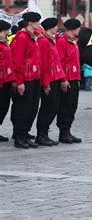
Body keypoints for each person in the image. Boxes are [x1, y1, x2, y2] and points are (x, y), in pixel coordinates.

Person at [10, 12, 42, 149]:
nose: (39, 25)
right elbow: (18, 61)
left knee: (32, 108)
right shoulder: (22, 37)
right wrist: (20, 81)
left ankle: (25, 134)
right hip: (25, 78)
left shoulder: (32, 37)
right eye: (37, 22)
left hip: (34, 77)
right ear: (30, 23)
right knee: (23, 109)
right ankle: (19, 136)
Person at [35, 17, 67, 146]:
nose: (57, 28)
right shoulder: (44, 42)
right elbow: (44, 65)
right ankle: (41, 134)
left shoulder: (51, 40)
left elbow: (56, 62)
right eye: (55, 26)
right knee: (47, 108)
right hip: (48, 80)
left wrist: (62, 79)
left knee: (53, 108)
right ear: (49, 28)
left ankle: (45, 133)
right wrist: (46, 83)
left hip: (55, 79)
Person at [56, 18, 82, 144]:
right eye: (78, 28)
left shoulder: (74, 41)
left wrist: (77, 78)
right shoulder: (62, 42)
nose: (79, 30)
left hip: (74, 78)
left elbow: (76, 62)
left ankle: (68, 130)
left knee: (73, 106)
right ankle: (63, 132)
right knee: (65, 106)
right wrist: (63, 79)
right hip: (66, 79)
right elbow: (60, 62)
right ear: (72, 29)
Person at [0, 19, 15, 142]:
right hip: (1, 82)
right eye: (7, 30)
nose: (9, 32)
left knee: (4, 106)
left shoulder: (4, 43)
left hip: (7, 80)